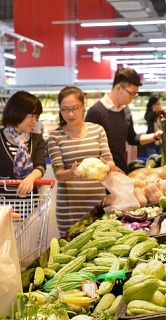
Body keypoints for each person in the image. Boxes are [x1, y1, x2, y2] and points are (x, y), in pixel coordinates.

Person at [48, 86, 116, 235]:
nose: (70, 114)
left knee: (97, 246)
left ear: (83, 106)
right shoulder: (55, 137)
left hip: (96, 203)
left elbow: (110, 161)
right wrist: (72, 172)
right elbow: (58, 173)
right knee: (69, 249)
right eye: (65, 109)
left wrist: (108, 167)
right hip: (69, 206)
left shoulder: (97, 130)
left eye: (75, 108)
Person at [85, 68, 162, 173]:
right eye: (131, 93)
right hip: (101, 174)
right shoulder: (96, 112)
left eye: (135, 94)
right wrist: (109, 167)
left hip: (121, 169)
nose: (132, 98)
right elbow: (90, 149)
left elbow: (132, 138)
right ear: (118, 88)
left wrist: (155, 136)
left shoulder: (125, 110)